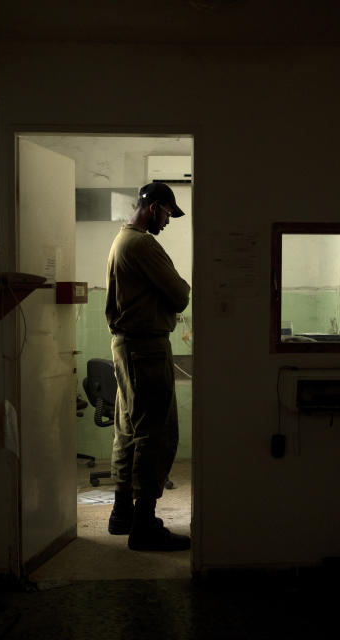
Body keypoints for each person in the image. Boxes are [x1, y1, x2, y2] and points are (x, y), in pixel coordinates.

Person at [104, 182, 191, 551]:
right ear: (154, 207)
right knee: (155, 433)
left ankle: (122, 513)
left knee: (128, 428)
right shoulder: (142, 244)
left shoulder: (121, 241)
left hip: (127, 348)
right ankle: (143, 526)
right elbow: (180, 295)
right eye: (168, 213)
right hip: (146, 348)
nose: (168, 221)